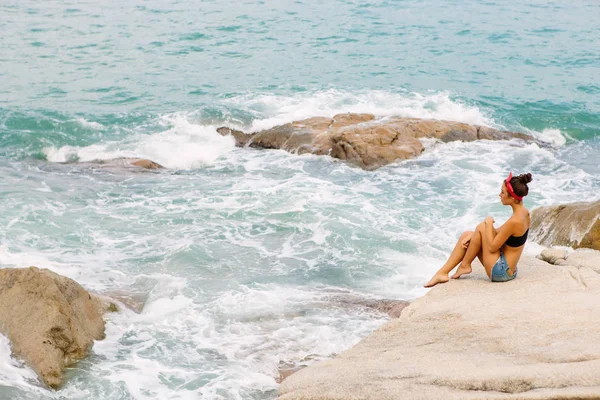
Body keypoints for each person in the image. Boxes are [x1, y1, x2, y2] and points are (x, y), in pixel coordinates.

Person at [424, 172, 533, 288]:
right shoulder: (524, 213)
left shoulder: (515, 221)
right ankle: (443, 273)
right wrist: (475, 235)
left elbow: (492, 247)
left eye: (502, 192)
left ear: (511, 197)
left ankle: (464, 265)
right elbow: (498, 233)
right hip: (509, 269)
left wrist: (488, 222)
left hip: (502, 272)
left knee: (483, 226)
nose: (499, 195)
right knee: (468, 234)